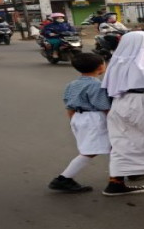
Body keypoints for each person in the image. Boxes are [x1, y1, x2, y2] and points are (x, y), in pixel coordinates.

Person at [100, 31, 144, 195]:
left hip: (120, 104)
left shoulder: (115, 63)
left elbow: (106, 88)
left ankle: (116, 182)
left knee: (123, 142)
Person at [48, 53, 113, 193]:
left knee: (108, 147)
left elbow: (68, 105)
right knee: (90, 151)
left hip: (78, 117)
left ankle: (124, 172)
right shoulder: (97, 86)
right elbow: (104, 107)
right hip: (94, 118)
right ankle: (64, 178)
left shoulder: (72, 84)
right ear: (101, 67)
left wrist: (73, 122)